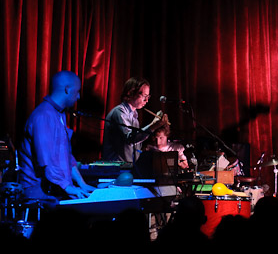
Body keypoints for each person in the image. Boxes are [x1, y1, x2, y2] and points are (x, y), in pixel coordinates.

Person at [19, 71, 96, 203]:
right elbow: (46, 162)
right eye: (77, 91)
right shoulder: (43, 116)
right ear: (67, 89)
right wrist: (68, 188)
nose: (78, 97)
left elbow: (66, 157)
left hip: (55, 188)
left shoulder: (59, 114)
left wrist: (82, 184)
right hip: (39, 192)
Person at [102, 77, 169, 163]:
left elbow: (134, 148)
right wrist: (153, 125)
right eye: (144, 96)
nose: (147, 100)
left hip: (128, 167)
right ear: (130, 93)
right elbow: (130, 139)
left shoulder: (134, 116)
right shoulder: (119, 112)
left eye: (148, 96)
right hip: (115, 167)